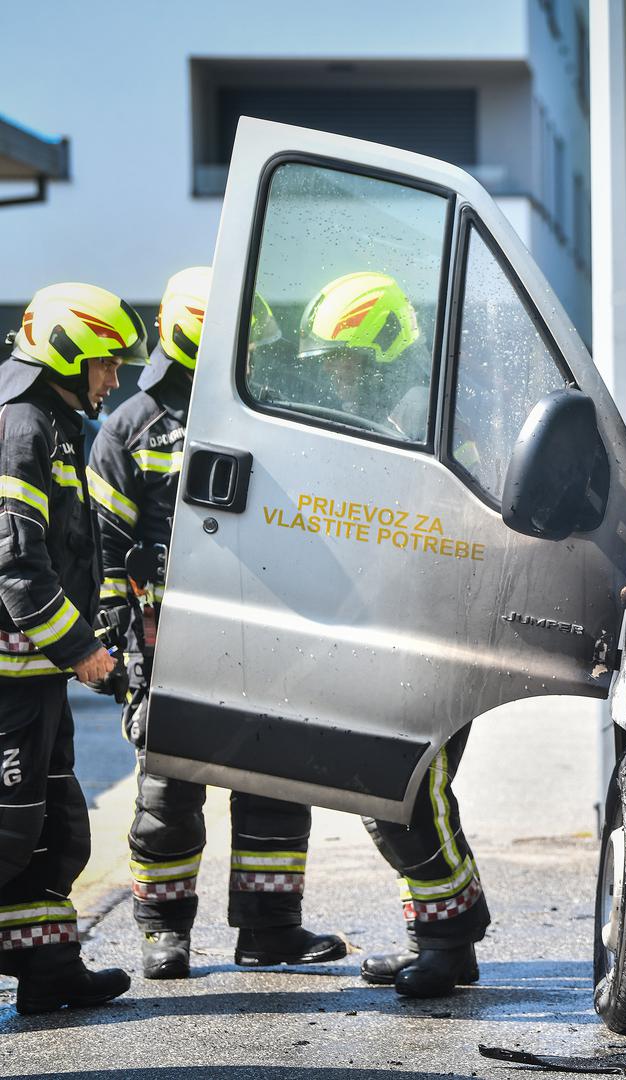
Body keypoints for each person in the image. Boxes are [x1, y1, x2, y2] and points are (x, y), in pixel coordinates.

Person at [89, 267, 346, 980]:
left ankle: (270, 931)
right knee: (168, 793)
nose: (251, 356)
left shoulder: (268, 413)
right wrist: (124, 653)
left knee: (275, 782)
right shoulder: (130, 428)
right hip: (170, 636)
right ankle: (163, 935)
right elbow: (105, 554)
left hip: (265, 630)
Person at [296, 271, 487, 998]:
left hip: (422, 637)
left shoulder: (417, 417)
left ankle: (449, 939)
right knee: (407, 797)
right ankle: (441, 938)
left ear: (381, 350)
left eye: (344, 361)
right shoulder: (403, 411)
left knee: (408, 795)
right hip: (402, 633)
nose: (335, 376)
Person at [0, 283, 139, 1013]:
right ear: (67, 354)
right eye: (106, 363)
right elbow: (16, 564)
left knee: (52, 828)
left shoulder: (51, 420)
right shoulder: (22, 425)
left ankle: (49, 969)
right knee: (8, 828)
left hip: (34, 672)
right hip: (10, 678)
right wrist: (84, 651)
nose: (113, 380)